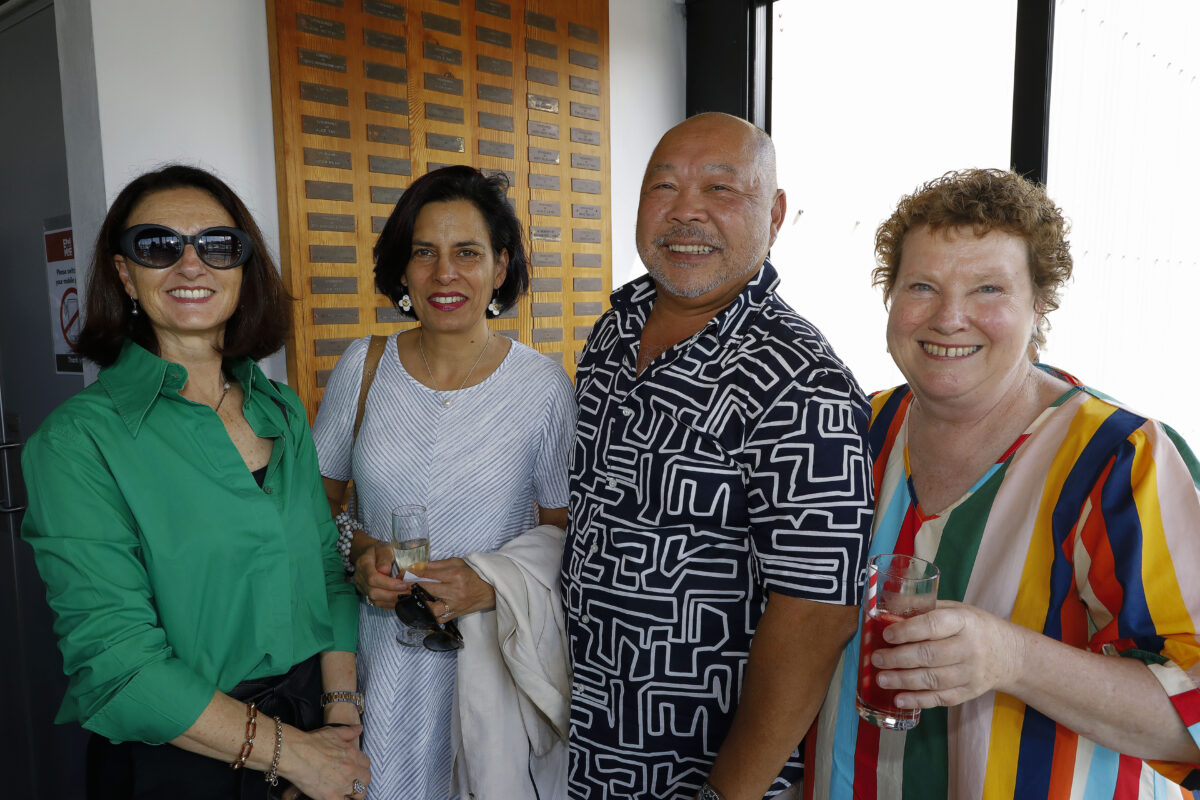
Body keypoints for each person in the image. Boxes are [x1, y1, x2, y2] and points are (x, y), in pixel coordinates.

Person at [805, 168, 1200, 799]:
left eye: (988, 288)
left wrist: (1010, 657)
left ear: (1039, 304)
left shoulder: (1120, 458)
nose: (949, 317)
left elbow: (1194, 717)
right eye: (922, 286)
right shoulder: (856, 431)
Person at [20, 164, 370, 800]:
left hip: (314, 728)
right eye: (158, 245)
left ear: (242, 269)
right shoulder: (76, 443)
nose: (191, 264)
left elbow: (326, 571)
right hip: (181, 759)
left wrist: (340, 714)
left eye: (217, 244)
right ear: (125, 273)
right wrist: (297, 757)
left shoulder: (280, 407)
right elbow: (119, 666)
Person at [562, 112, 875, 800]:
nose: (686, 213)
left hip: (707, 772)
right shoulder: (614, 330)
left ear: (775, 213)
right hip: (588, 746)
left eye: (721, 190)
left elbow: (816, 617)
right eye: (663, 188)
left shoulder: (801, 382)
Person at [311, 165, 576, 800]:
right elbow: (314, 513)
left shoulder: (543, 389)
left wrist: (489, 582)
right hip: (379, 666)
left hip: (489, 667)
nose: (444, 273)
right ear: (402, 270)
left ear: (501, 265)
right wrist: (360, 557)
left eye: (467, 253)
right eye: (424, 253)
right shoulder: (364, 366)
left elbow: (566, 535)